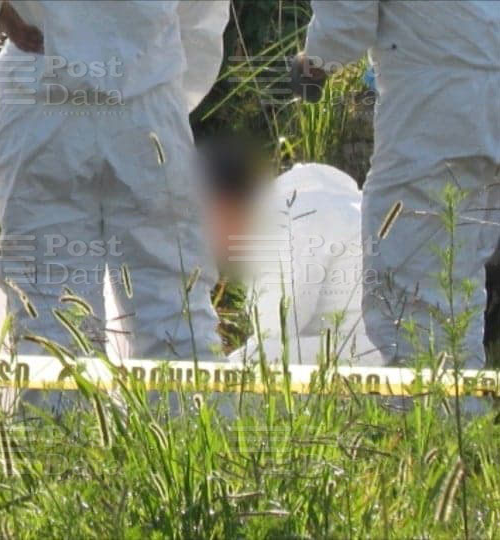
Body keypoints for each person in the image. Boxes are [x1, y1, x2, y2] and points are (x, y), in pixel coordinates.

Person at [0, 1, 229, 361]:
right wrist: (157, 89)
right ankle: (185, 396)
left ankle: (61, 397)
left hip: (42, 100)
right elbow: (201, 21)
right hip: (147, 106)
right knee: (173, 307)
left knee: (51, 315)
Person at [295, 1, 500, 368]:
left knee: (412, 287)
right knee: (461, 274)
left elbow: (347, 21)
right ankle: (463, 395)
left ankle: (427, 401)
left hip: (439, 106)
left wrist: (314, 62)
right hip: (475, 88)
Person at [197, 138, 381, 364]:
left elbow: (276, 328)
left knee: (249, 364)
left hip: (380, 354)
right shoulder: (308, 199)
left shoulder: (285, 218)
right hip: (381, 346)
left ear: (222, 206)